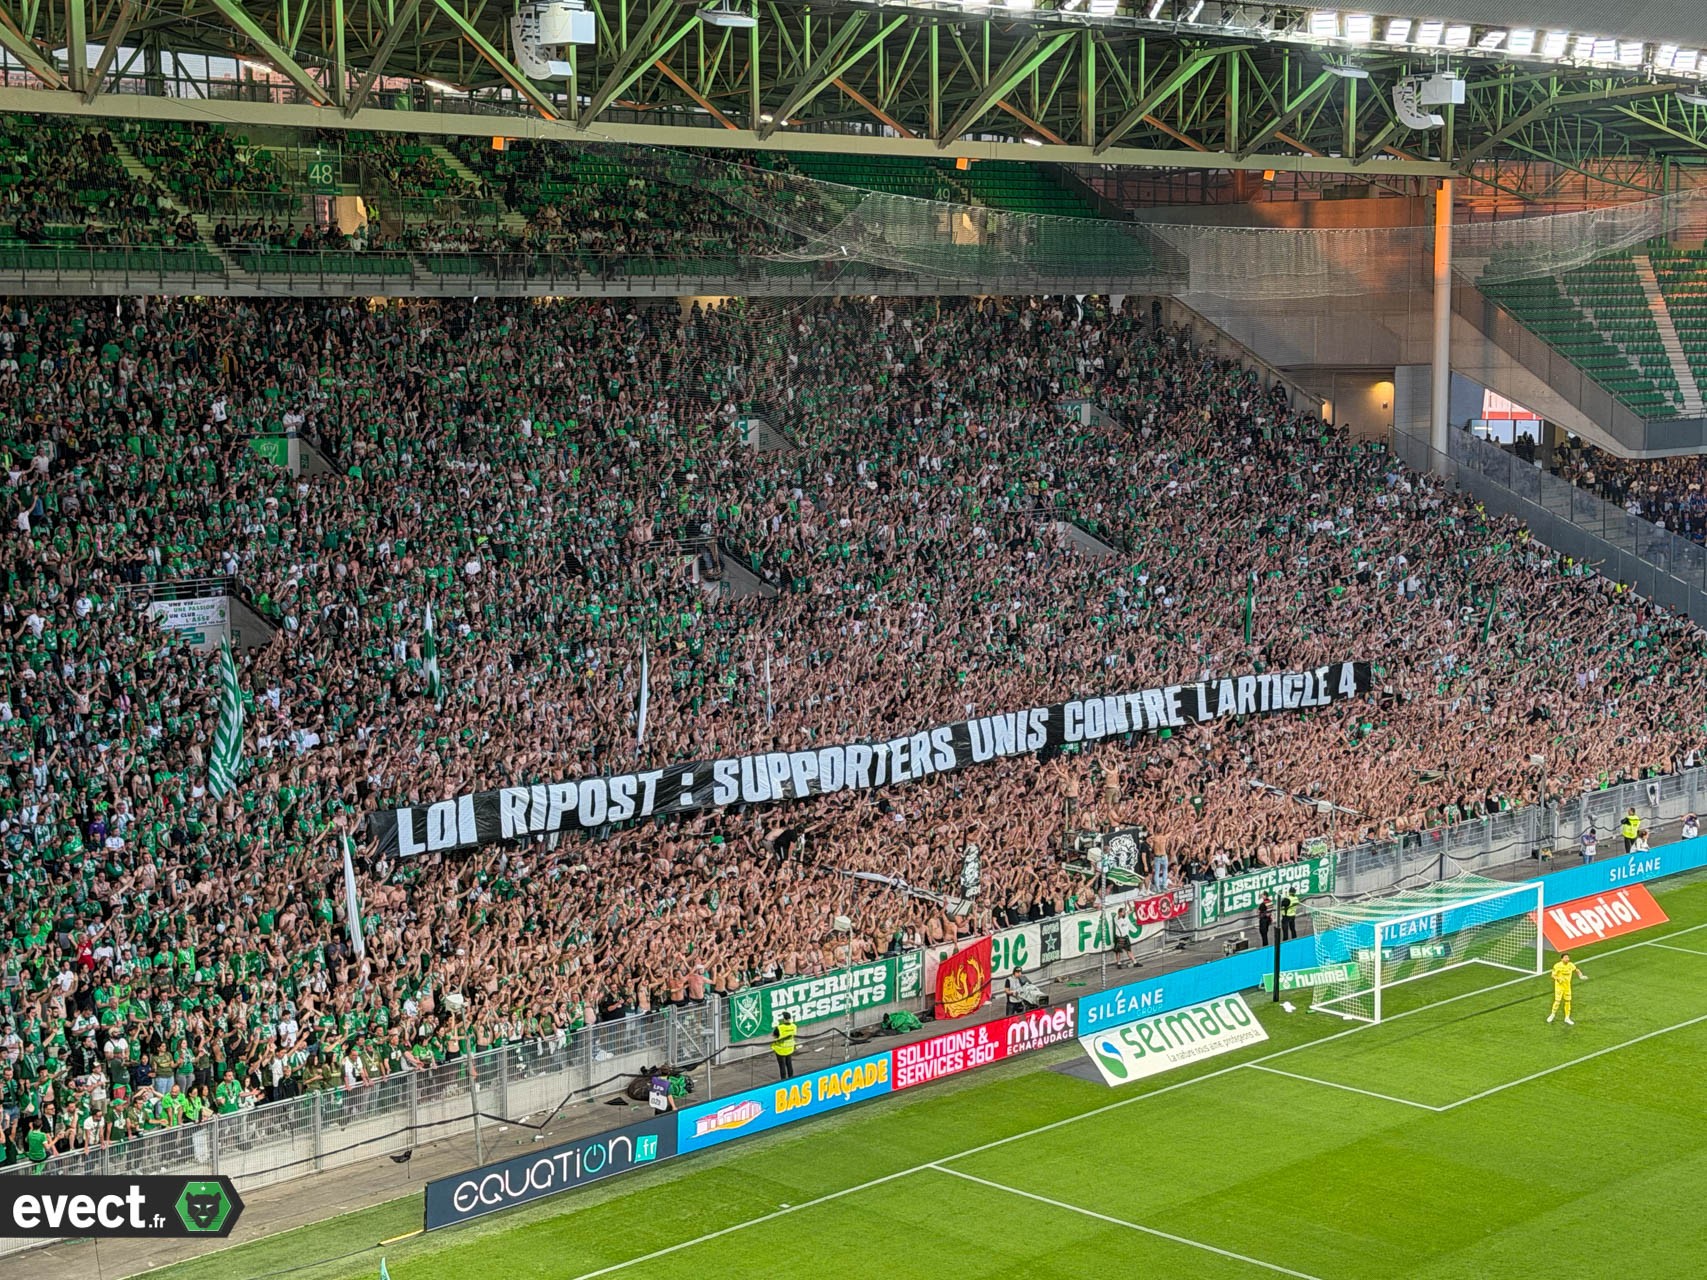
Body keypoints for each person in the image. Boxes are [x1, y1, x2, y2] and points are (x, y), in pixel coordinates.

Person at [1547, 953, 1585, 1025]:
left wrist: (1581, 976)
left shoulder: (1571, 965)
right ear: (1562, 959)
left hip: (1567, 987)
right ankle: (1552, 1015)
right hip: (1559, 987)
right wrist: (1558, 979)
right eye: (1566, 957)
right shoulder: (1557, 966)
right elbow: (1553, 975)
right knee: (1557, 1001)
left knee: (1568, 1001)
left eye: (1568, 957)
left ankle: (1567, 1018)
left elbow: (1576, 970)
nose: (1567, 959)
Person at [770, 1016, 798, 1081]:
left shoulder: (779, 1027)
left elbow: (774, 1036)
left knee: (782, 1065)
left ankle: (783, 1080)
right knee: (789, 1063)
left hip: (781, 1049)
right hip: (789, 1047)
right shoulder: (794, 1026)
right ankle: (791, 1078)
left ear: (784, 1019)